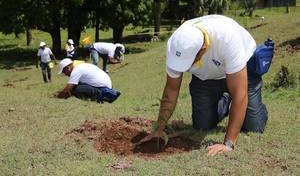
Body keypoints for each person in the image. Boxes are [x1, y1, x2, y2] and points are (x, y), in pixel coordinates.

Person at [138, 15, 268, 156]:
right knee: (202, 125)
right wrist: (159, 129)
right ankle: (224, 101)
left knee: (253, 126)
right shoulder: (176, 44)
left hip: (242, 71)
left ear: (203, 49)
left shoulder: (228, 38)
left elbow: (239, 93)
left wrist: (228, 144)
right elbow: (171, 89)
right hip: (206, 77)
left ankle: (255, 106)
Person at [56, 58, 121, 103]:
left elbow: (68, 89)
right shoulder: (80, 66)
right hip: (107, 85)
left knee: (77, 90)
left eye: (64, 72)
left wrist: (58, 97)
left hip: (103, 88)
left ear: (68, 68)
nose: (65, 74)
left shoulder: (76, 71)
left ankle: (103, 96)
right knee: (76, 86)